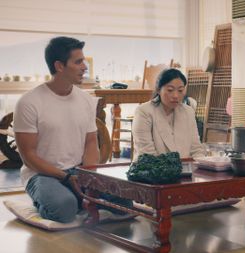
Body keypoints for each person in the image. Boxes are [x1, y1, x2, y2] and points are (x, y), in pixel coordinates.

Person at [14, 36, 130, 223]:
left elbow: (91, 142)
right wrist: (67, 178)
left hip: (79, 171)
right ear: (59, 66)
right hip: (41, 175)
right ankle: (60, 200)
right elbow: (28, 156)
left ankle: (79, 198)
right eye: (78, 62)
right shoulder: (29, 102)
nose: (85, 66)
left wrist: (88, 175)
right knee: (64, 208)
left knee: (125, 201)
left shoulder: (85, 100)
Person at [132, 68, 206, 159]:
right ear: (159, 90)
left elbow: (196, 149)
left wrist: (202, 167)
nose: (176, 96)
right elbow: (146, 154)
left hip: (185, 169)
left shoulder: (188, 111)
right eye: (170, 90)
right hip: (151, 170)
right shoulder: (144, 112)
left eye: (180, 90)